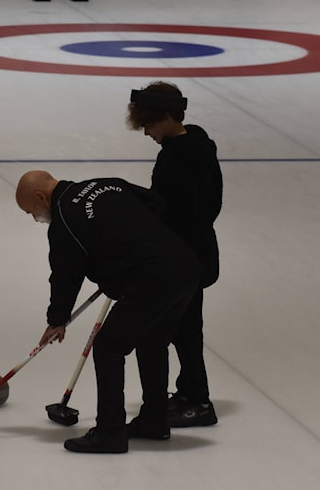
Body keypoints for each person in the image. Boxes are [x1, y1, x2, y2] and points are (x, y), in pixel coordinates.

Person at [16, 170, 203, 453]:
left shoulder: (64, 221)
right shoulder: (106, 185)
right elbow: (155, 204)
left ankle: (110, 432)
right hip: (184, 266)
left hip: (152, 277)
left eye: (33, 212)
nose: (36, 218)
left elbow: (66, 274)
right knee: (152, 341)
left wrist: (57, 320)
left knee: (108, 347)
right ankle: (154, 421)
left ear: (41, 197)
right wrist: (127, 254)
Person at [127, 82, 222, 428]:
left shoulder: (178, 156)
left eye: (149, 124)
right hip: (193, 254)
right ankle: (189, 393)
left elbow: (178, 210)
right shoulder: (195, 144)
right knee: (184, 329)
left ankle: (198, 400)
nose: (146, 132)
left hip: (183, 259)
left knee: (183, 330)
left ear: (167, 118)